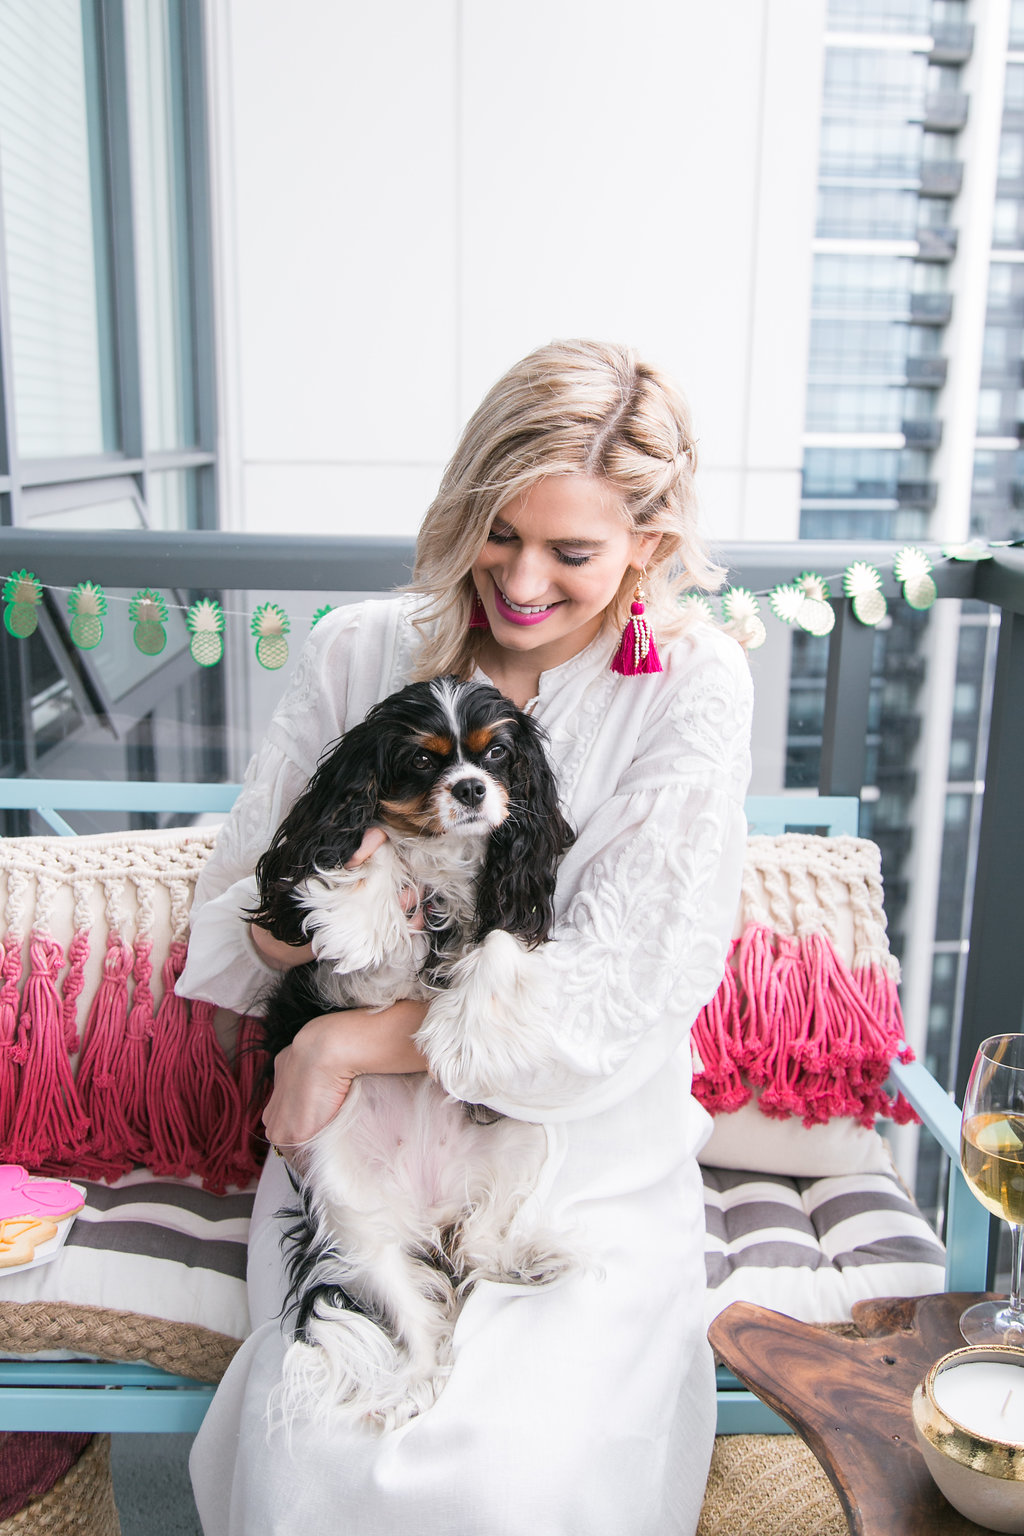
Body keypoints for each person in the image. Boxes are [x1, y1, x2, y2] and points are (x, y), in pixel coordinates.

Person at [180, 338, 753, 1536]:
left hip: (574, 1132)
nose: (522, 580)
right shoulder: (359, 647)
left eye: (571, 552)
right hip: (361, 1137)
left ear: (648, 546)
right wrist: (308, 920)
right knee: (336, 1438)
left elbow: (613, 999)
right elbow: (241, 916)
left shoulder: (692, 685)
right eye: (498, 533)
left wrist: (340, 1044)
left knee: (504, 1473)